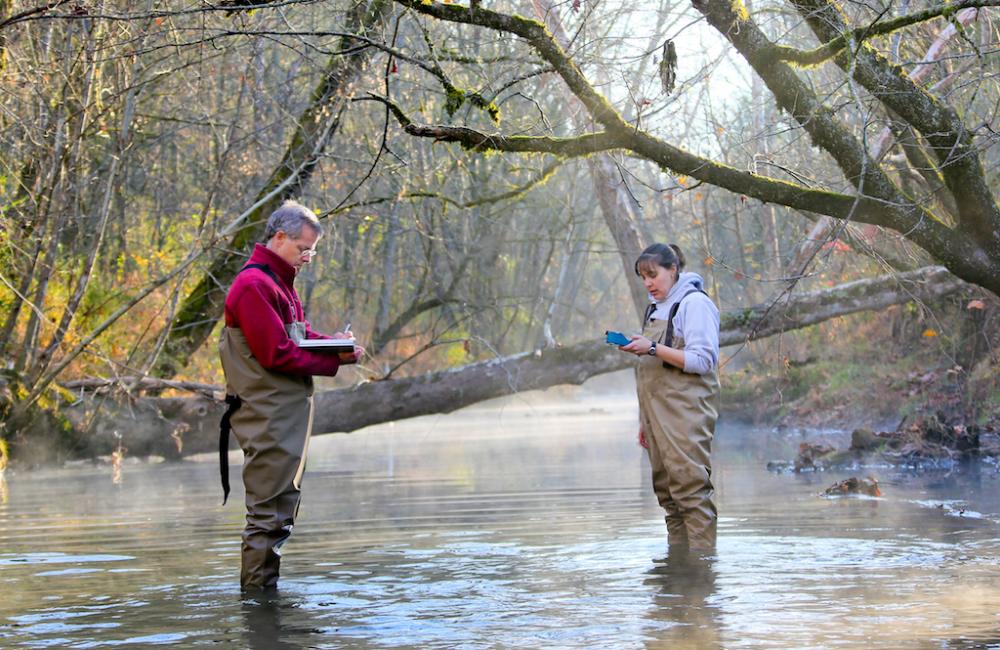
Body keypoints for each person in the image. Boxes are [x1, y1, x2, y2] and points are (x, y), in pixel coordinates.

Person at [218, 200, 362, 591]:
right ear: (279, 237)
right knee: (267, 515)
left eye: (311, 251)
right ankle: (257, 608)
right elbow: (275, 353)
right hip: (267, 417)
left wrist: (337, 346)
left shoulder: (276, 282)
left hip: (283, 416)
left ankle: (264, 597)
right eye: (303, 249)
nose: (308, 258)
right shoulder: (253, 285)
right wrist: (335, 363)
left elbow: (295, 336)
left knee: (281, 511)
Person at [618, 243, 720, 550]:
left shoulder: (695, 304)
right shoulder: (655, 307)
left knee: (690, 491)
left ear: (673, 269)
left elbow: (703, 360)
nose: (648, 283)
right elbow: (651, 371)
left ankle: (703, 571)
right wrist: (644, 421)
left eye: (653, 274)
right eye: (643, 277)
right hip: (656, 415)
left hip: (685, 413)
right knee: (668, 496)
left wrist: (651, 347)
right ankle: (679, 568)